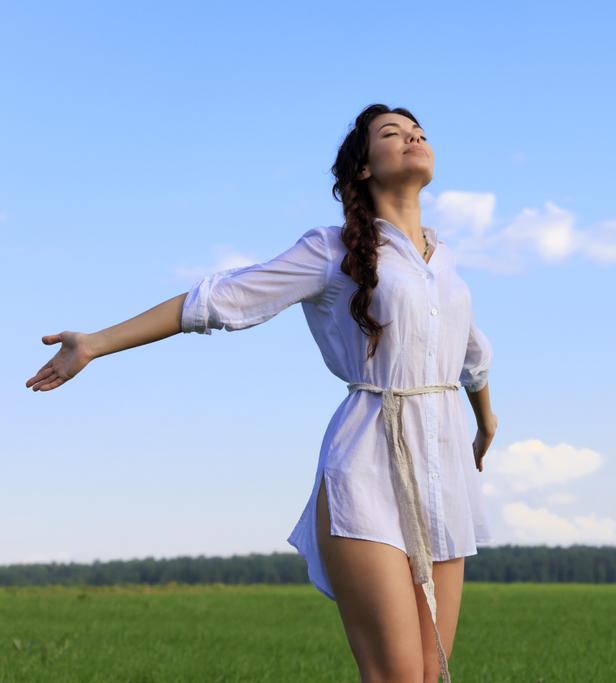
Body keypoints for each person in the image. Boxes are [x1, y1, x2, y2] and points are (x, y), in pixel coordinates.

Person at [24, 103, 499, 683]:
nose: (413, 137)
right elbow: (220, 300)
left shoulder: (442, 261)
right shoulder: (333, 250)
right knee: (397, 676)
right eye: (392, 134)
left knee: (432, 674)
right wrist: (96, 341)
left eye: (417, 131)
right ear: (364, 169)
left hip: (445, 469)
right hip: (370, 461)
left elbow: (470, 353)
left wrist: (485, 419)